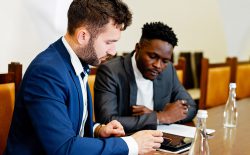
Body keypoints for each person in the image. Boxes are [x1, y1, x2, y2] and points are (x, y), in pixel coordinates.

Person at [5, 1, 164, 155]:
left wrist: (98, 129)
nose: (113, 51)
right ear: (83, 36)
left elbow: (69, 124)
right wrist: (132, 144)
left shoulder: (76, 62)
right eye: (109, 42)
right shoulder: (47, 73)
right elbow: (63, 148)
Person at [94, 22, 197, 133]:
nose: (158, 65)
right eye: (152, 56)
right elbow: (106, 121)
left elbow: (191, 107)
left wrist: (157, 115)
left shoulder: (168, 70)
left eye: (165, 61)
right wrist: (160, 117)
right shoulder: (110, 71)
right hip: (126, 142)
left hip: (159, 141)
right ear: (138, 48)